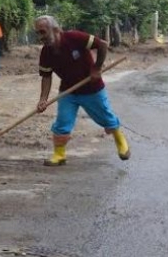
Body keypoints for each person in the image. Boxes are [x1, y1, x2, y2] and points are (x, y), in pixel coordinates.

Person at [34, 15, 131, 166]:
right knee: (62, 122)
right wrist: (43, 100)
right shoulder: (46, 53)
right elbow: (46, 77)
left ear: (55, 29)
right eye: (38, 33)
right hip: (68, 92)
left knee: (106, 118)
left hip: (92, 89)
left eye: (42, 32)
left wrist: (97, 67)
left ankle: (120, 141)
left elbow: (102, 45)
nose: (40, 37)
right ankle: (59, 155)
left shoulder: (75, 37)